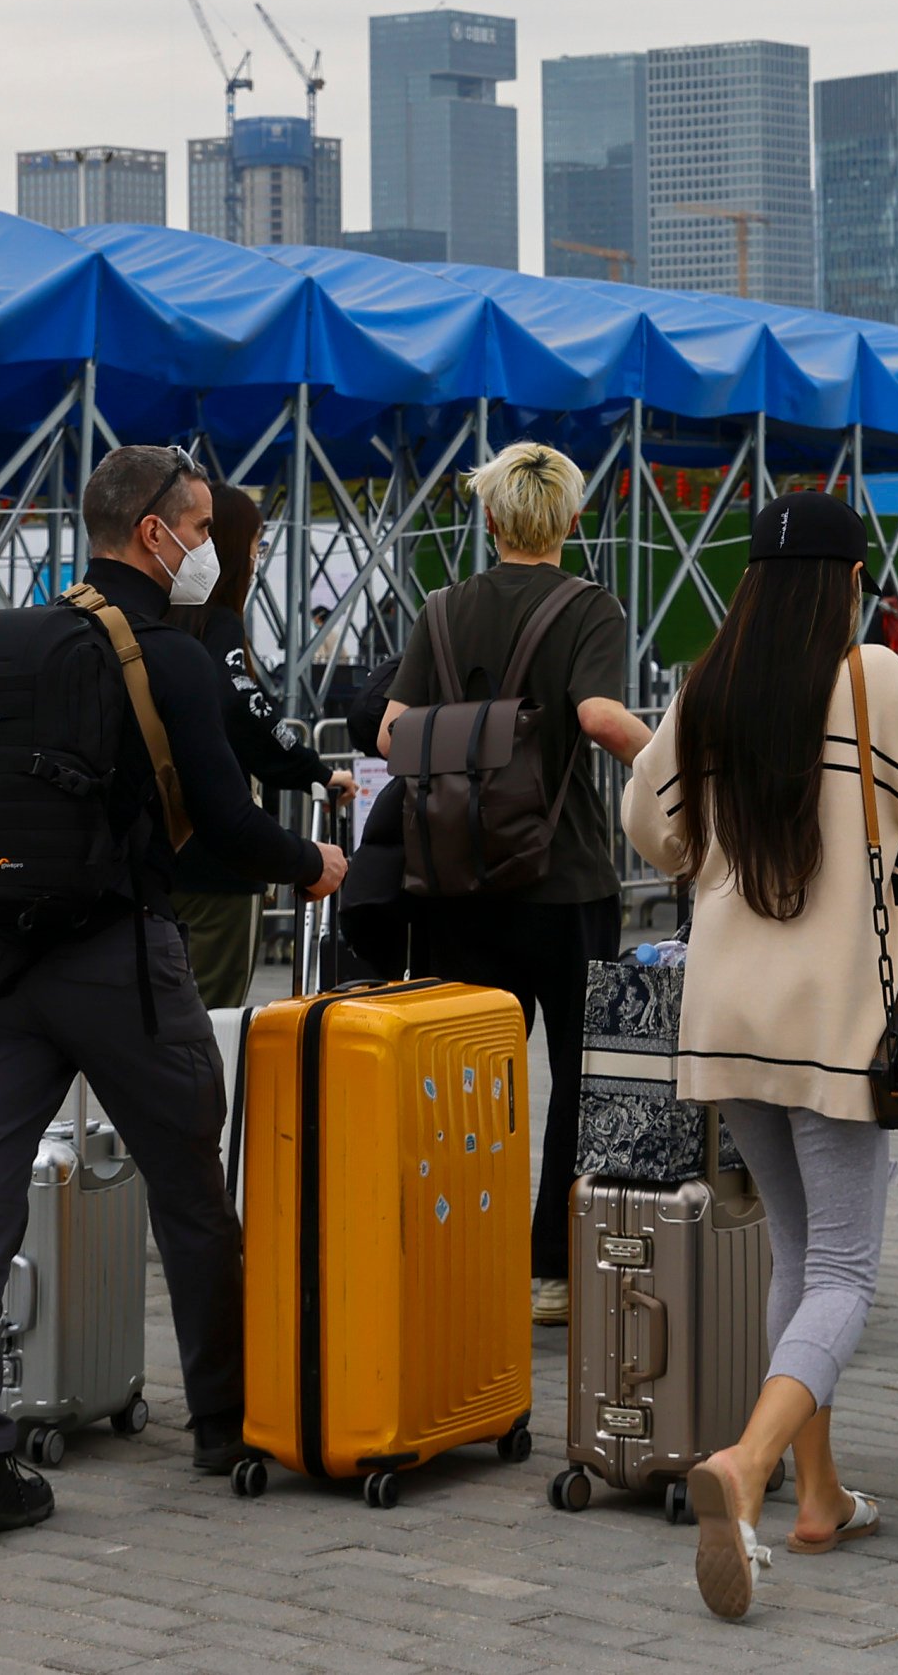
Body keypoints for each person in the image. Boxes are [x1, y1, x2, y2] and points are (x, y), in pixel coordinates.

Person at [620, 489, 898, 1622]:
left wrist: (699, 848)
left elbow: (646, 819)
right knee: (846, 1271)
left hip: (724, 1017)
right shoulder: (870, 678)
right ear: (849, 580)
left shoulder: (710, 682)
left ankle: (820, 1497)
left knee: (797, 1254)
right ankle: (753, 1466)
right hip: (833, 1026)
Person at [0, 444, 344, 1548]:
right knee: (188, 1186)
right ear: (154, 533)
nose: (207, 550)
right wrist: (314, 866)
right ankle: (222, 1421)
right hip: (117, 960)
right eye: (200, 531)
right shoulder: (170, 655)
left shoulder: (7, 641)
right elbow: (231, 824)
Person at [377, 443, 649, 1329]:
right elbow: (599, 717)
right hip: (563, 876)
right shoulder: (589, 608)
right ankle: (551, 1270)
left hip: (456, 877)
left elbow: (390, 732)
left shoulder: (442, 609)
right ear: (572, 521)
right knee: (578, 1075)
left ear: (487, 519)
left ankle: (466, 1250)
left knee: (467, 1078)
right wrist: (680, 764)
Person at [164, 484, 358, 1009]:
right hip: (219, 862)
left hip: (156, 857)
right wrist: (314, 771)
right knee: (214, 1018)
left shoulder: (158, 620)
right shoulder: (218, 624)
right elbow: (247, 711)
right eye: (255, 543)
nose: (256, 558)